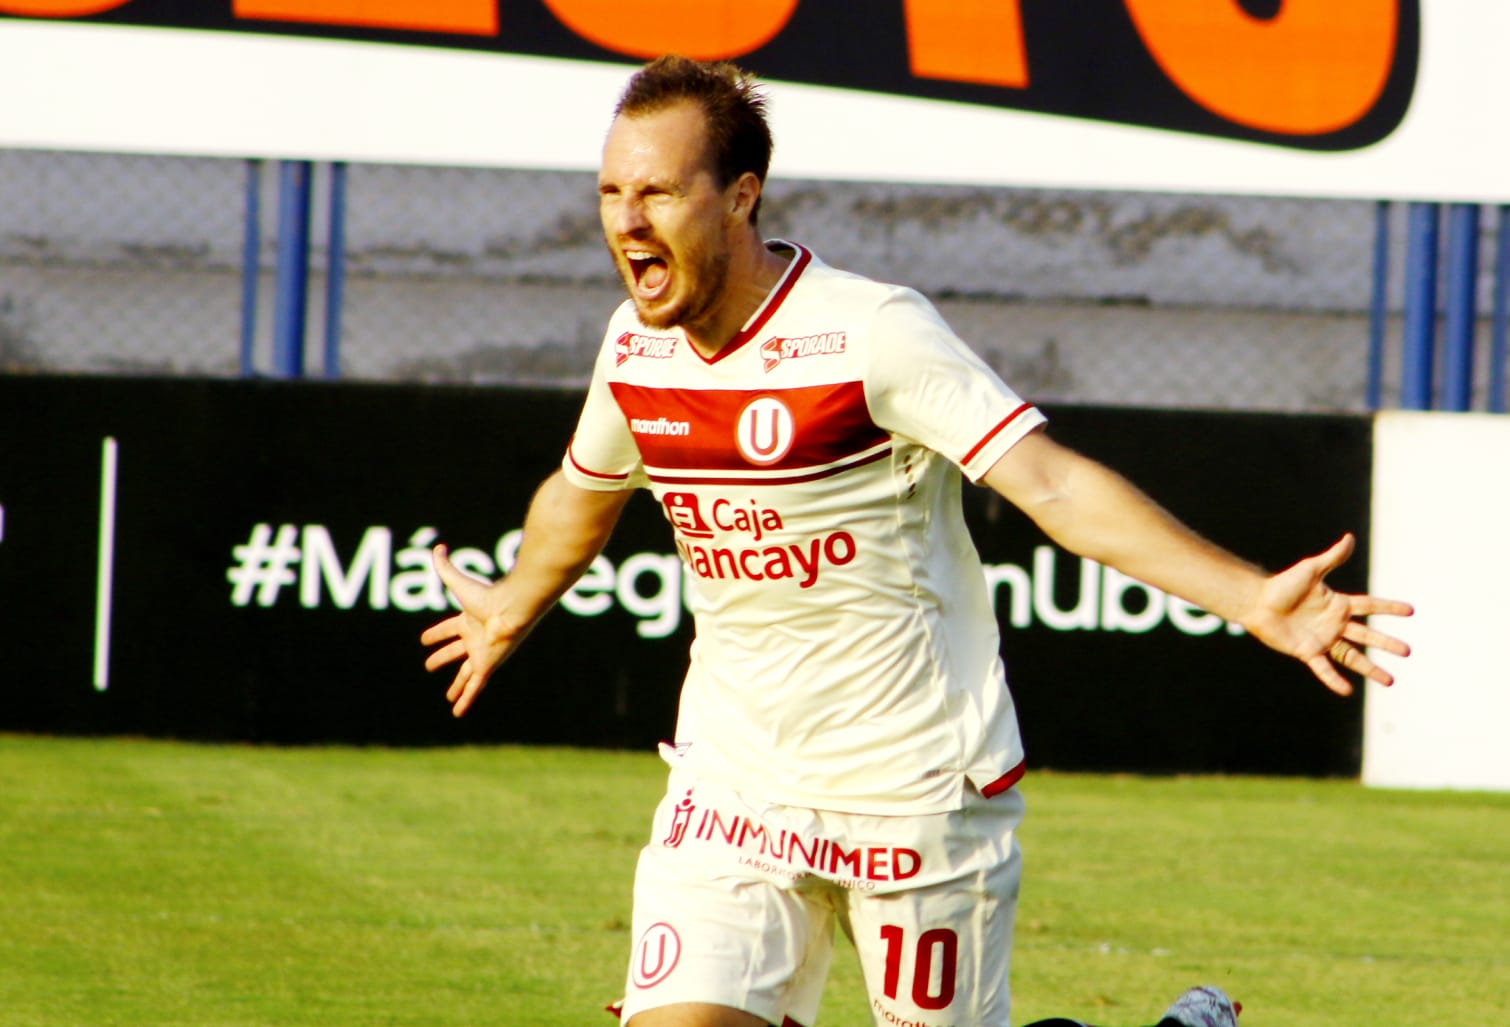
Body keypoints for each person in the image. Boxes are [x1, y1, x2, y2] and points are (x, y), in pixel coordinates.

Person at [420, 56, 1412, 1027]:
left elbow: (1053, 483)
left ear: (738, 198)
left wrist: (1248, 598)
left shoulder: (871, 332)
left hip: (916, 792)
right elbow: (580, 492)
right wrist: (512, 602)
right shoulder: (635, 348)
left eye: (659, 193)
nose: (626, 221)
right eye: (610, 192)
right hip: (734, 783)